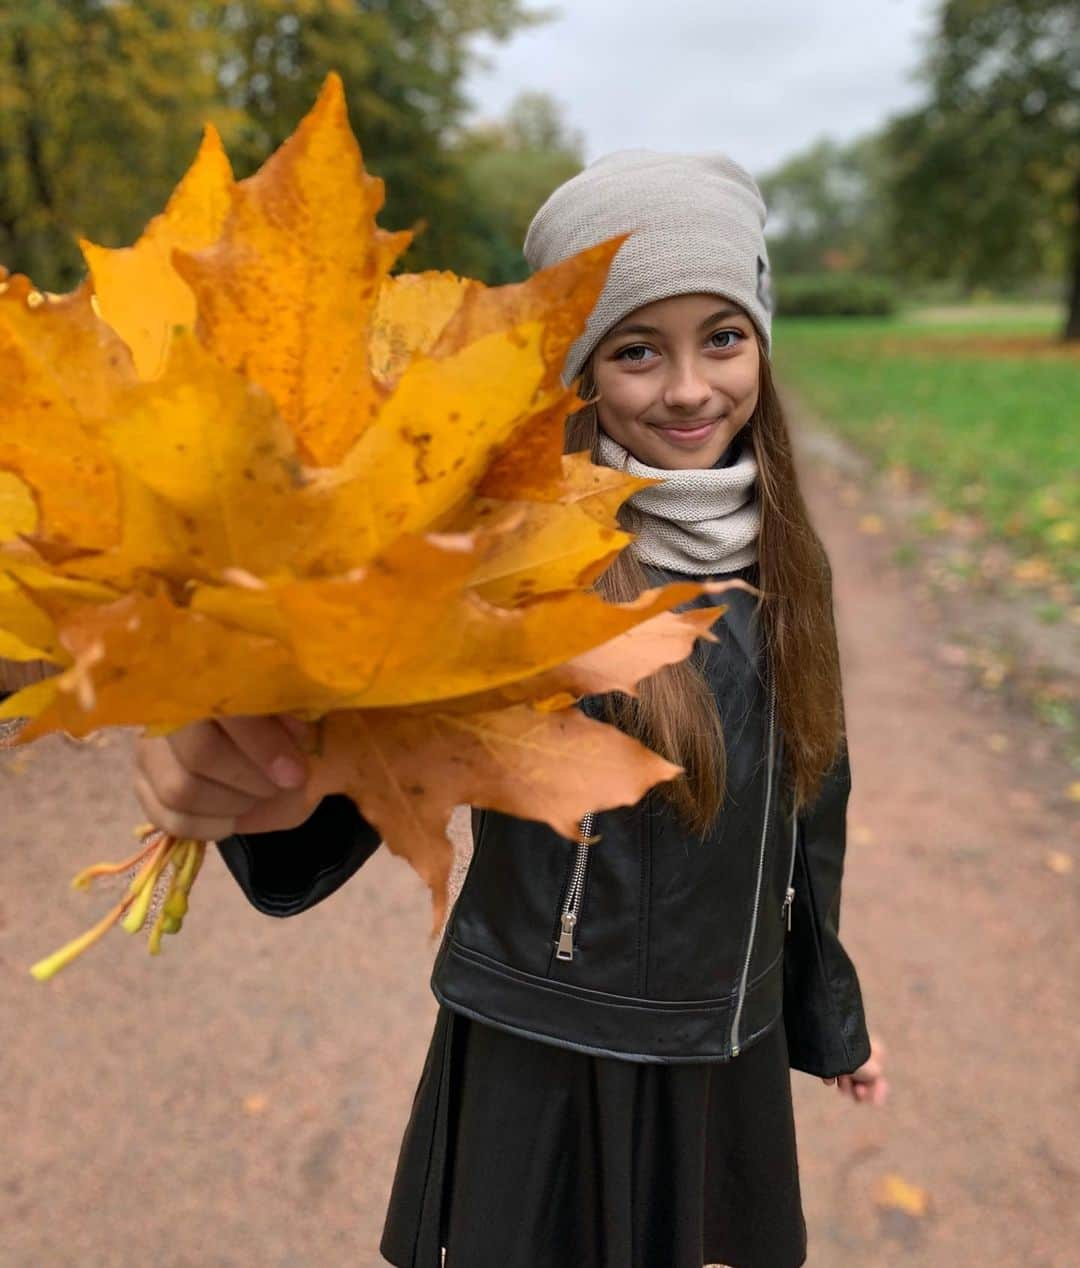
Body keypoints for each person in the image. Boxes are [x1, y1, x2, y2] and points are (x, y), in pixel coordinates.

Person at [124, 150, 888, 1268]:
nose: (687, 387)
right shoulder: (509, 562)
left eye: (720, 336)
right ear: (582, 369)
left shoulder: (786, 563)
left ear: (761, 339)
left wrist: (829, 1015)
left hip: (720, 1034)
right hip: (541, 1041)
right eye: (637, 349)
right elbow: (349, 771)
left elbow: (807, 811)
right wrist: (234, 765)